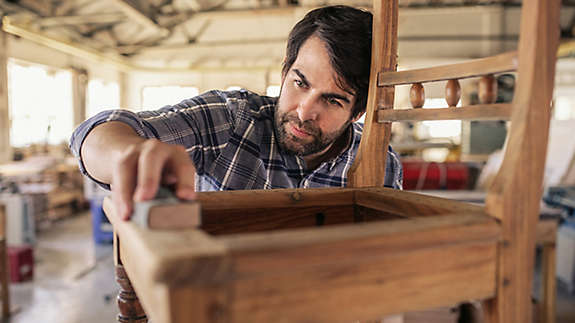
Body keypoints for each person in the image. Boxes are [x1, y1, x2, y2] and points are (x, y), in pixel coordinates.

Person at [69, 5, 403, 220]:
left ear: (358, 112)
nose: (304, 111)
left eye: (332, 101)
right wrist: (131, 152)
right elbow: (94, 134)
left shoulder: (380, 163)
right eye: (300, 83)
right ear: (285, 71)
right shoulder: (232, 120)